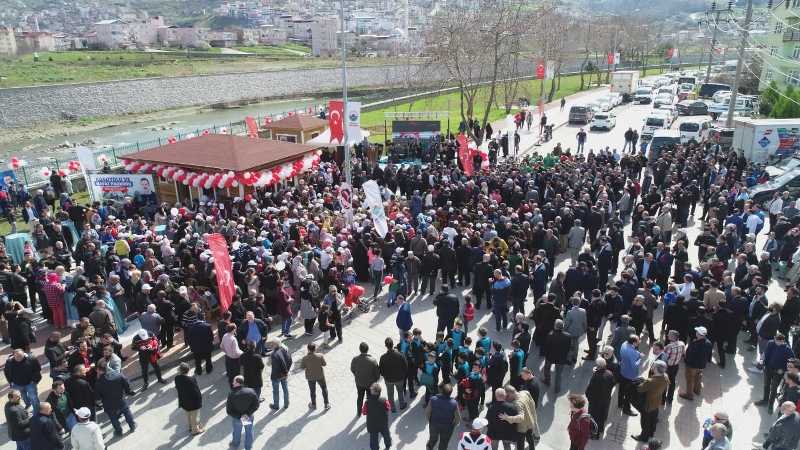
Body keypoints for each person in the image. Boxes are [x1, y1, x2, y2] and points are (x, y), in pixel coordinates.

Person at [94, 360, 136, 436]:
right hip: (120, 399)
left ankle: (119, 431)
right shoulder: (118, 374)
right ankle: (132, 426)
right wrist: (128, 392)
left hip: (108, 404)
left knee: (113, 418)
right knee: (126, 412)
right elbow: (126, 384)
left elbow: (98, 398)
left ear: (99, 370)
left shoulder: (98, 383)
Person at [632, 360, 669, 442]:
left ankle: (643, 437)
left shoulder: (651, 381)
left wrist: (642, 381)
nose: (652, 367)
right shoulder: (666, 377)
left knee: (645, 421)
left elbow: (640, 389)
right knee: (653, 419)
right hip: (657, 402)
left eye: (653, 366)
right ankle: (651, 433)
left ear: (656, 369)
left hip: (648, 404)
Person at [499, 384, 540, 450]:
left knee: (520, 445)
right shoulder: (525, 392)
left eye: (507, 396)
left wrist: (507, 418)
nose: (506, 398)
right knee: (530, 438)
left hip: (522, 428)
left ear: (510, 394)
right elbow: (533, 404)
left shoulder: (517, 404)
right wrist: (533, 416)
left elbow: (521, 418)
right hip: (530, 422)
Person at [679, 326, 713, 401]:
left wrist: (685, 352)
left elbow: (688, 356)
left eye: (697, 332)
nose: (696, 333)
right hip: (701, 365)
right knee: (698, 377)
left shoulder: (694, 344)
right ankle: (697, 391)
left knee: (690, 380)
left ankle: (689, 395)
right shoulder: (709, 343)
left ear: (699, 334)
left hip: (692, 366)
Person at [3, 349, 42, 414]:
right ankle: (28, 404)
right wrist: (10, 382)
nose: (19, 358)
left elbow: (38, 369)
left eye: (21, 356)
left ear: (24, 354)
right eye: (17, 357)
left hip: (30, 383)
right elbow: (6, 372)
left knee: (33, 397)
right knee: (23, 396)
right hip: (17, 384)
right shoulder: (9, 362)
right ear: (13, 356)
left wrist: (34, 380)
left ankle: (37, 411)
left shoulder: (31, 359)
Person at [227, 375, 259, 450]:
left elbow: (229, 410)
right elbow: (256, 405)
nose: (232, 383)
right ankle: (248, 447)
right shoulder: (251, 391)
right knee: (249, 432)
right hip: (247, 416)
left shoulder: (232, 394)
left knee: (237, 431)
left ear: (238, 383)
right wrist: (247, 414)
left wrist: (239, 416)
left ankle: (235, 444)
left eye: (234, 382)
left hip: (237, 418)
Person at [585, 357, 615, 439]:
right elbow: (613, 384)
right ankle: (600, 429)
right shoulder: (610, 373)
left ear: (598, 366)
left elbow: (589, 389)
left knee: (594, 418)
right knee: (601, 417)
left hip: (595, 402)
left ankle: (594, 434)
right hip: (605, 400)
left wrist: (588, 397)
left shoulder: (596, 376)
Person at [425, 383, 460, 450]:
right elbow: (458, 418)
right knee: (444, 442)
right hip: (447, 427)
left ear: (441, 391)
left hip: (434, 425)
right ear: (450, 393)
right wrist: (453, 425)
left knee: (433, 438)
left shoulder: (433, 399)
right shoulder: (454, 403)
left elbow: (427, 412)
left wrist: (430, 420)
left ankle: (429, 447)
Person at [174, 362, 204, 436]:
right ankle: (195, 430)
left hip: (184, 400)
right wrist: (199, 400)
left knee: (188, 414)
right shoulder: (191, 379)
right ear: (188, 370)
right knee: (195, 416)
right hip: (193, 402)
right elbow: (196, 391)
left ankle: (191, 426)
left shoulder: (177, 378)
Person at [351, 341, 380, 417]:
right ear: (367, 349)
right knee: (370, 398)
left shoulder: (355, 359)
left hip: (359, 382)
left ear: (360, 349)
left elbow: (352, 369)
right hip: (370, 384)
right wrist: (375, 381)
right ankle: (370, 412)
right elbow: (377, 374)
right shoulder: (373, 360)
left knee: (360, 397)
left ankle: (359, 412)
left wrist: (357, 375)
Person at [542, 319, 571, 393]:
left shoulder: (550, 335)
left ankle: (547, 381)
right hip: (561, 358)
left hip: (550, 357)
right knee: (558, 374)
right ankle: (557, 389)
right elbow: (568, 348)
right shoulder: (568, 336)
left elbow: (546, 347)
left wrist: (545, 354)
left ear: (555, 326)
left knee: (547, 369)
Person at [380, 337, 408, 412]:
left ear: (386, 346)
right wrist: (403, 375)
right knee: (400, 392)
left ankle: (392, 408)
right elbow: (405, 366)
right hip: (399, 379)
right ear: (393, 344)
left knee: (390, 394)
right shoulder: (400, 355)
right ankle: (402, 405)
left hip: (388, 380)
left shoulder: (383, 357)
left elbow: (381, 370)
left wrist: (385, 376)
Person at [362, 382, 391, 450]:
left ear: (372, 392)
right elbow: (388, 408)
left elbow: (364, 412)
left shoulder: (367, 402)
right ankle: (388, 444)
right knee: (386, 434)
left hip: (372, 424)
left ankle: (375, 448)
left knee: (373, 438)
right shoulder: (384, 400)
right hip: (383, 422)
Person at [300, 343, 330, 410]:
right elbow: (324, 364)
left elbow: (302, 367)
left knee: (312, 391)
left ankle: (313, 404)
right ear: (315, 348)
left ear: (308, 349)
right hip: (320, 375)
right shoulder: (320, 356)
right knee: (324, 389)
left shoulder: (305, 358)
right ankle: (326, 404)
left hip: (310, 377)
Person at [618, 335, 642, 416]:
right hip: (630, 375)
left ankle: (620, 403)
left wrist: (638, 354)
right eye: (638, 341)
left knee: (621, 389)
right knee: (628, 393)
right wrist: (640, 359)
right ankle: (626, 409)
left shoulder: (624, 344)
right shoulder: (632, 352)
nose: (639, 342)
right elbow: (634, 365)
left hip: (622, 371)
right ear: (634, 343)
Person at [267, 338, 292, 410]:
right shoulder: (284, 350)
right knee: (285, 389)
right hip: (284, 374)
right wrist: (287, 371)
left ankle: (276, 406)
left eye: (272, 343)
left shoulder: (274, 354)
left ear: (275, 344)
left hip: (276, 376)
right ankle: (286, 404)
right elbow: (289, 360)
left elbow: (270, 365)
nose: (271, 345)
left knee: (276, 391)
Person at [221, 323, 243, 387]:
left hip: (228, 357)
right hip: (235, 359)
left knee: (230, 372)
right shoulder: (233, 339)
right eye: (235, 328)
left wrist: (227, 352)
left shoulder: (225, 335)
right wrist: (243, 353)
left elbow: (221, 346)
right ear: (233, 330)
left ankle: (231, 383)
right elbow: (236, 351)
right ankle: (237, 386)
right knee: (236, 374)